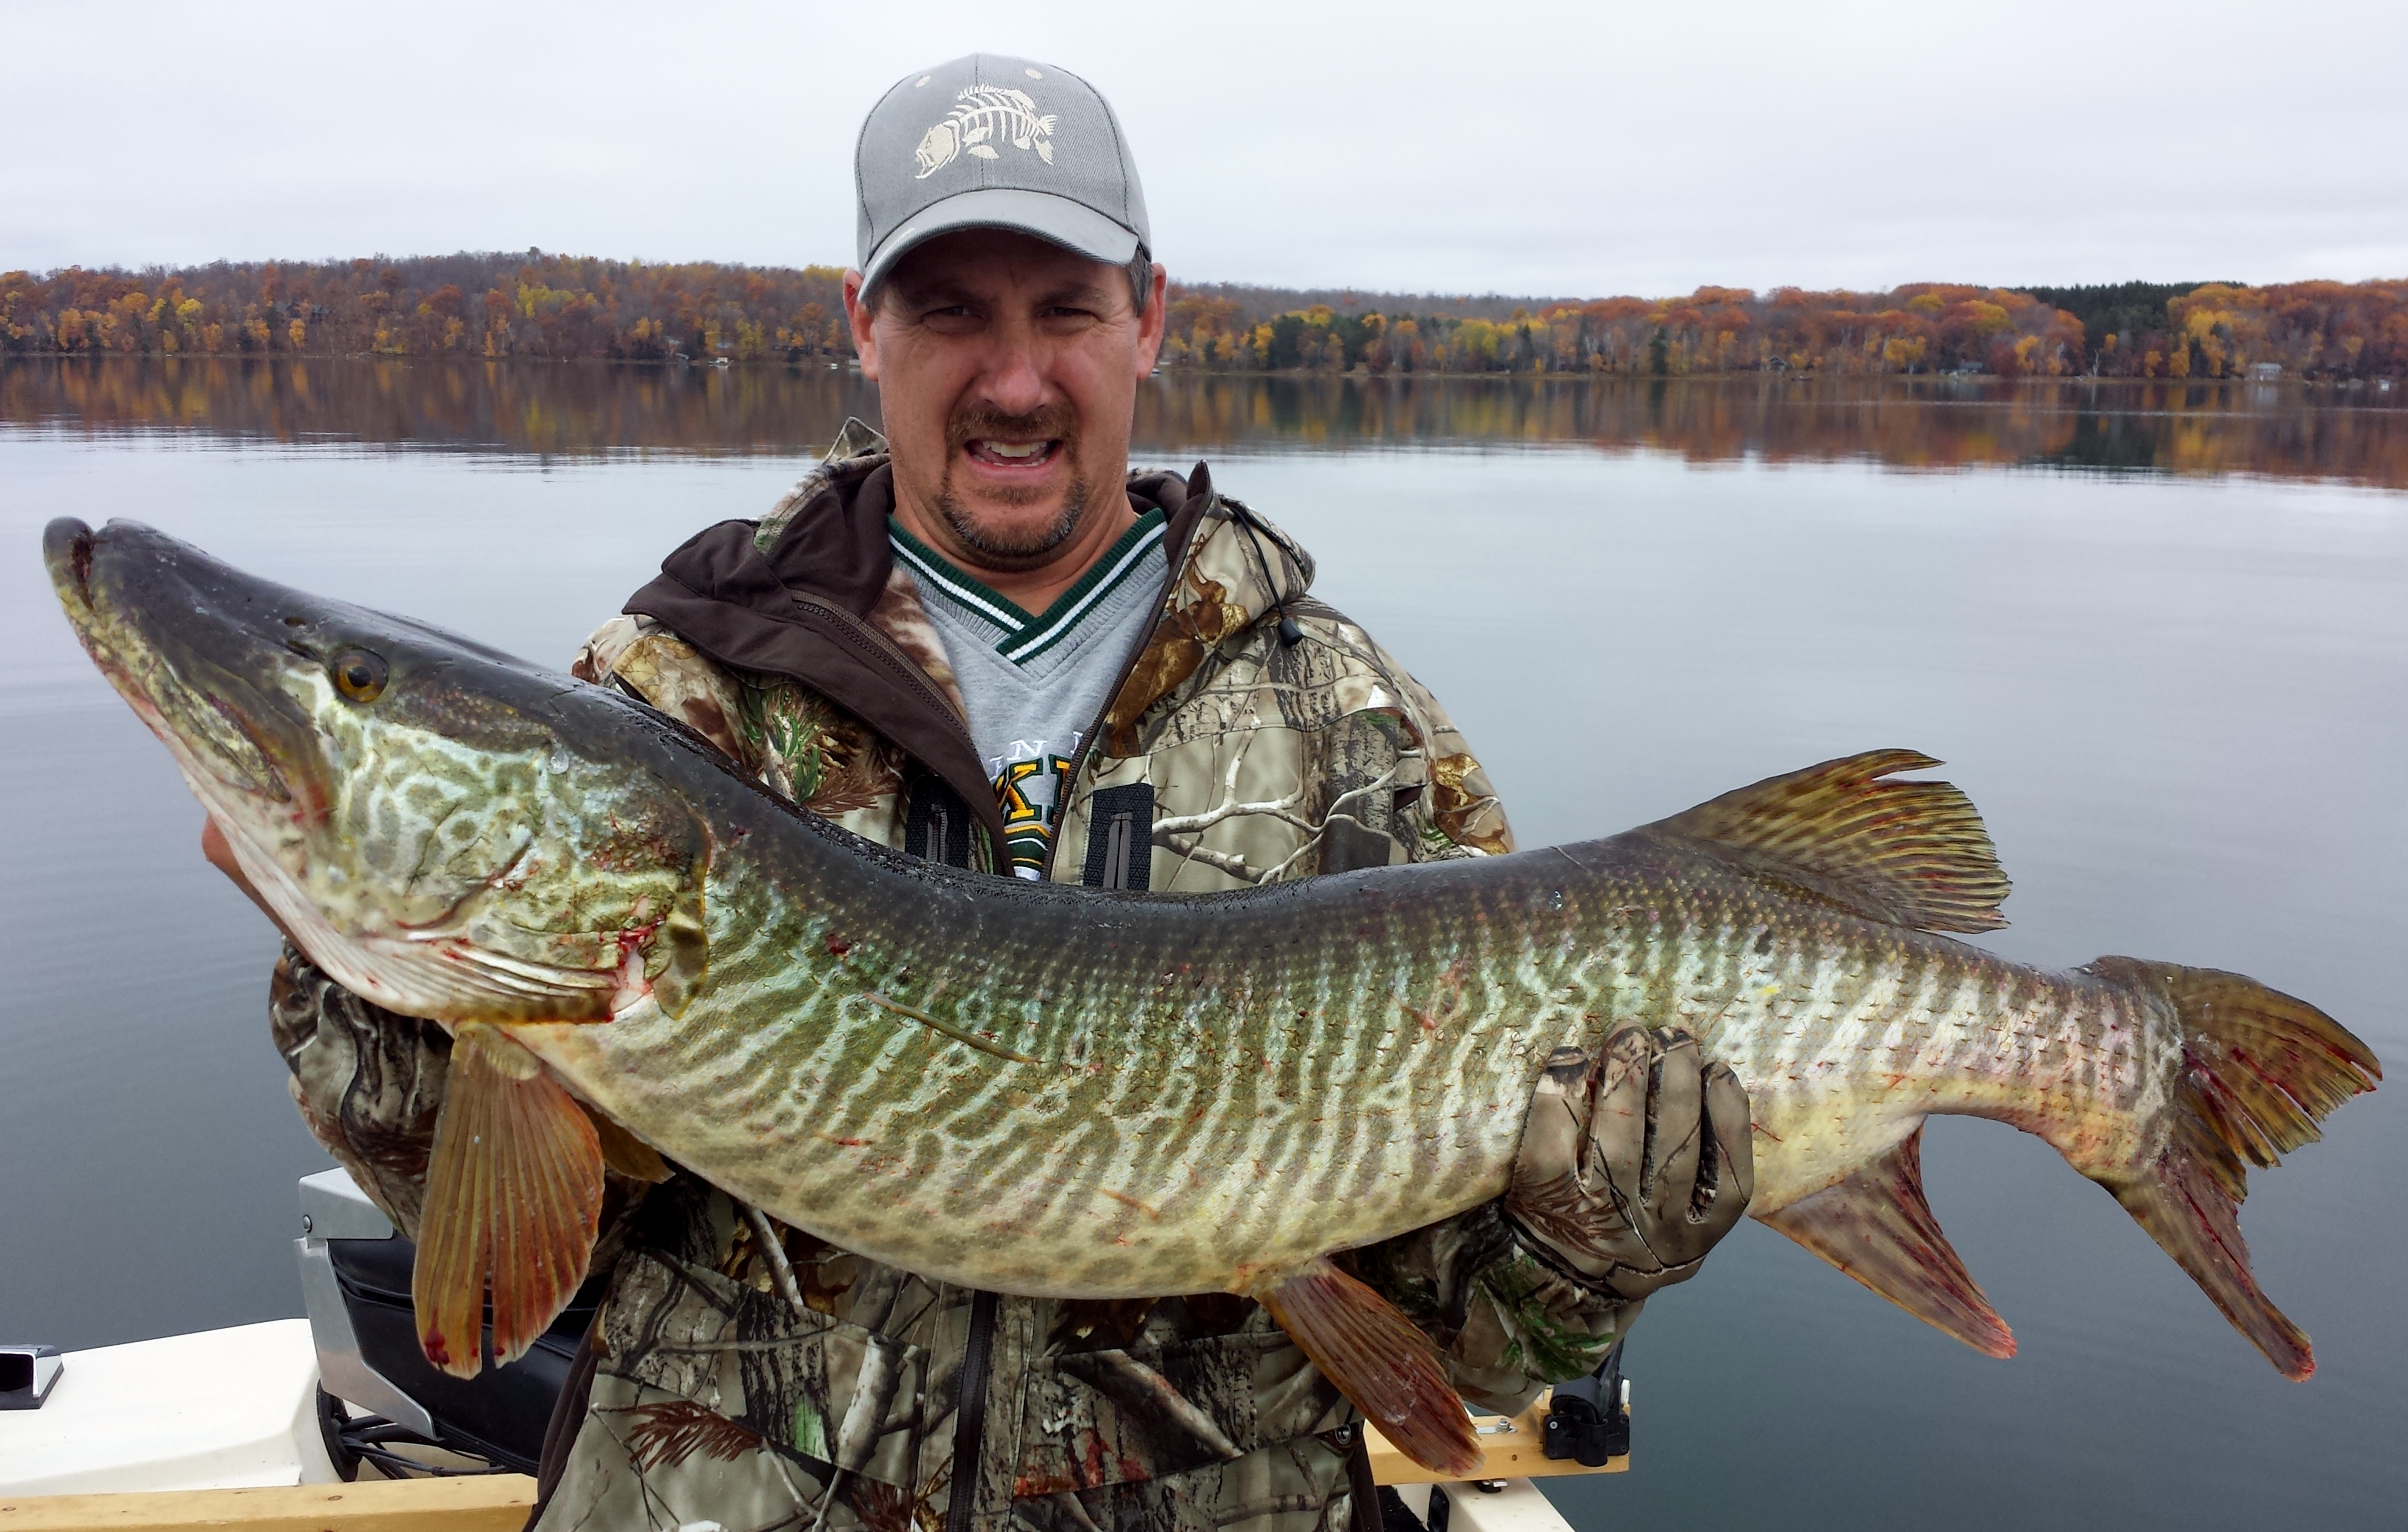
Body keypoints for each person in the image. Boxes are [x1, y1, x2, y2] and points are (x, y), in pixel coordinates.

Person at [227, 54, 1753, 1532]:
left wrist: (1587, 1243)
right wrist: (373, 975)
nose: (1013, 377)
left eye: (1065, 310)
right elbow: (500, 1237)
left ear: (1146, 318)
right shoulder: (684, 695)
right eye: (951, 311)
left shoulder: (1352, 731)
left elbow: (1471, 1349)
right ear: (865, 326)